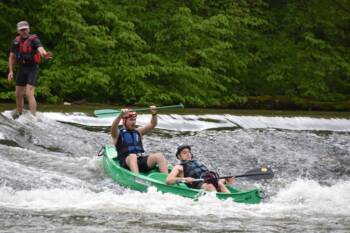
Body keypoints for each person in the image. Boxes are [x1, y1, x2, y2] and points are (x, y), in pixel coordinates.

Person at [7, 20, 52, 119]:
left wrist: (45, 55)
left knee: (29, 92)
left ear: (28, 29)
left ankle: (33, 117)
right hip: (22, 68)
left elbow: (41, 49)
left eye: (25, 29)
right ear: (18, 31)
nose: (24, 31)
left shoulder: (34, 40)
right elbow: (12, 56)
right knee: (18, 93)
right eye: (21, 30)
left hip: (32, 68)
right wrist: (11, 71)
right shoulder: (16, 41)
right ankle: (19, 114)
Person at [111, 106, 168, 174]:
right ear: (124, 121)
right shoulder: (117, 134)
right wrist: (120, 115)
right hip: (126, 162)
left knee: (159, 156)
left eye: (134, 120)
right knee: (132, 156)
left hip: (139, 160)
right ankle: (137, 178)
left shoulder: (138, 131)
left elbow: (153, 124)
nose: (134, 122)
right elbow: (114, 126)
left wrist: (154, 114)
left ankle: (166, 179)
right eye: (131, 120)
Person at [166, 145, 234, 193]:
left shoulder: (197, 162)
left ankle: (231, 199)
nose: (188, 154)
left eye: (189, 152)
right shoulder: (179, 167)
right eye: (184, 153)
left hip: (208, 181)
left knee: (219, 183)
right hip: (197, 184)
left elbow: (208, 175)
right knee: (210, 186)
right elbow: (168, 180)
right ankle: (220, 203)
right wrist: (184, 179)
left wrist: (225, 180)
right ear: (179, 157)